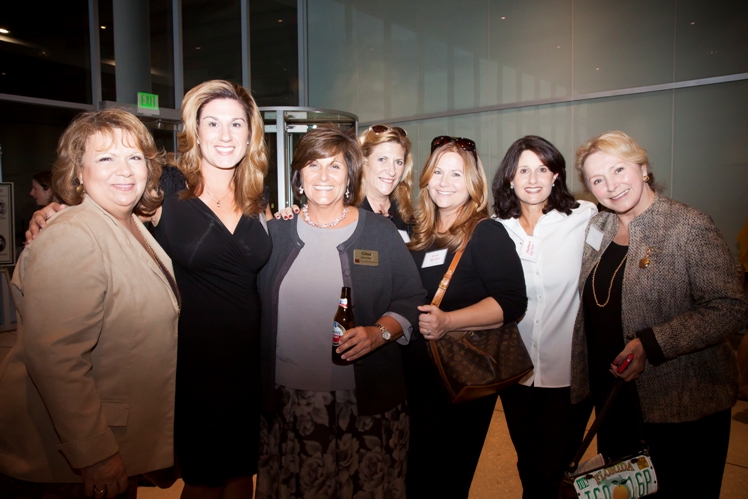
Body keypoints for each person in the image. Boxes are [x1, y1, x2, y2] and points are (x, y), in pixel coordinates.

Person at [26, 80, 271, 499]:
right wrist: (59, 207)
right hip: (194, 363)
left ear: (251, 134)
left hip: (249, 362)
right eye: (212, 123)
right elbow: (113, 202)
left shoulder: (256, 194)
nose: (225, 135)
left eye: (236, 124)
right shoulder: (169, 186)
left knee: (242, 473)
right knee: (204, 478)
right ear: (195, 129)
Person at [0, 108, 180, 498]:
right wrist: (93, 453)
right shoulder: (73, 236)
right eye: (105, 158)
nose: (125, 170)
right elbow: (56, 358)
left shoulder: (130, 224)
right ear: (78, 172)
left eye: (134, 157)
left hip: (118, 442)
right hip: (71, 462)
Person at [572, 130, 747, 499]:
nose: (612, 185)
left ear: (644, 168)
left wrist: (651, 344)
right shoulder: (597, 228)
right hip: (614, 400)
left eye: (619, 170)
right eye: (598, 180)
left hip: (683, 401)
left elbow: (730, 307)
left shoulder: (688, 226)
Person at [256, 125, 425, 498]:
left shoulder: (379, 232)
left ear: (350, 174)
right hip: (289, 403)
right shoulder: (275, 234)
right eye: (313, 165)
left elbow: (411, 298)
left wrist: (378, 333)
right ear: (298, 175)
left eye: (335, 166)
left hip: (365, 401)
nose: (323, 176)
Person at [404, 135, 527, 498]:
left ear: (473, 183)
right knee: (413, 476)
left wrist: (449, 321)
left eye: (456, 175)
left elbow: (511, 303)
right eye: (438, 172)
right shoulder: (419, 234)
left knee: (443, 480)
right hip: (415, 378)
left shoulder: (485, 232)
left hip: (460, 380)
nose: (444, 182)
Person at [492, 136, 596, 498]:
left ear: (556, 176)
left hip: (569, 371)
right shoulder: (495, 228)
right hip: (516, 372)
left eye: (542, 169)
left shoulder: (585, 217)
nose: (533, 178)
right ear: (509, 177)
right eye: (523, 170)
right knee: (526, 461)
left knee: (557, 464)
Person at [275, 123, 415, 240]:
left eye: (398, 162)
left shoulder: (407, 217)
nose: (391, 171)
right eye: (382, 159)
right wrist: (294, 219)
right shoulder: (344, 215)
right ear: (363, 162)